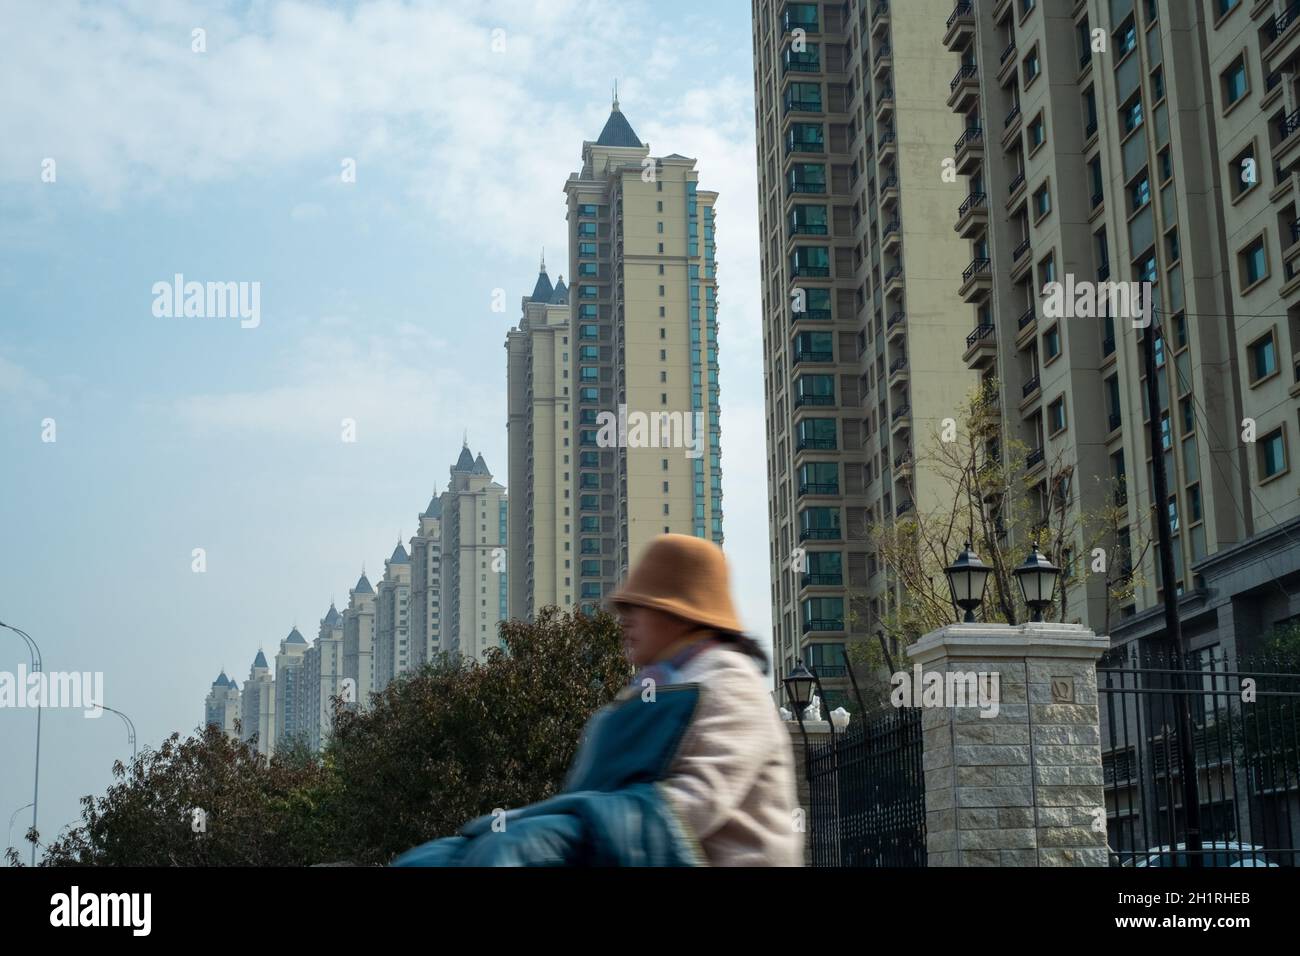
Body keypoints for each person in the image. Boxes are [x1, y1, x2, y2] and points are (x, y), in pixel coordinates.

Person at [391, 534, 802, 867]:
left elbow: (696, 803)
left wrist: (564, 835)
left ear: (682, 614)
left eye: (638, 607)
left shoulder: (731, 682)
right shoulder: (653, 686)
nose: (623, 619)